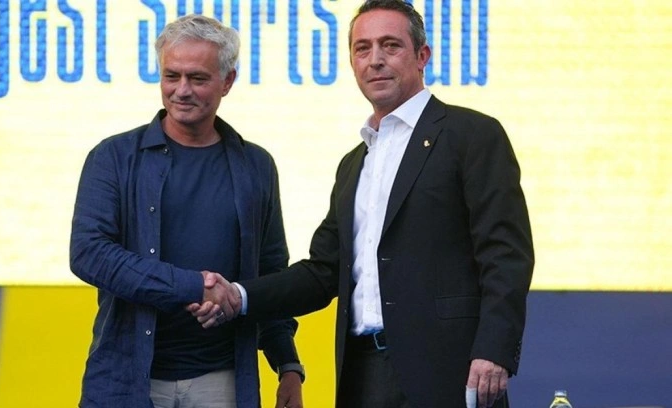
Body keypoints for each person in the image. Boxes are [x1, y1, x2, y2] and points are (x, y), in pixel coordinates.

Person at [191, 1, 534, 407]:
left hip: (449, 372)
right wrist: (239, 295)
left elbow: (505, 255)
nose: (375, 60)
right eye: (362, 48)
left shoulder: (472, 135)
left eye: (391, 45)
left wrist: (494, 349)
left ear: (422, 56)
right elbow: (323, 272)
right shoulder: (353, 164)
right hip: (362, 374)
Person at [69, 14, 304, 408]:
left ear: (228, 81)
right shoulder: (113, 157)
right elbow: (89, 254)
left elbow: (270, 275)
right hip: (127, 380)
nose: (182, 90)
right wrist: (192, 286)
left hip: (223, 381)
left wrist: (288, 365)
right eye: (171, 76)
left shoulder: (257, 166)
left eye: (197, 78)